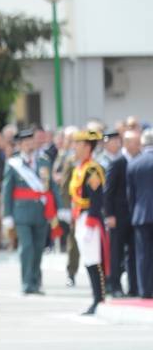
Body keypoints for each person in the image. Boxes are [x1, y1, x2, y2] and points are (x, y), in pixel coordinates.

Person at [1, 127, 57, 295]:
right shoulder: (13, 164)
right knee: (27, 247)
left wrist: (59, 209)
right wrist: (7, 215)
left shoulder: (44, 161)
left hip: (40, 212)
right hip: (22, 213)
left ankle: (35, 281)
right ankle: (27, 283)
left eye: (31, 142)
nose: (29, 145)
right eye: (26, 143)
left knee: (39, 248)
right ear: (20, 145)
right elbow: (7, 190)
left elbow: (51, 186)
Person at [68, 128, 108, 315]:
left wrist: (91, 223)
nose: (75, 147)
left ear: (87, 146)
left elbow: (97, 198)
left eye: (78, 144)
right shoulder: (80, 167)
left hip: (89, 218)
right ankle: (96, 298)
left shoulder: (92, 169)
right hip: (80, 217)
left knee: (94, 261)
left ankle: (99, 298)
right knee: (88, 260)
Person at [104, 129, 139, 297]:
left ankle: (134, 286)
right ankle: (115, 286)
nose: (138, 146)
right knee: (116, 252)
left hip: (134, 215)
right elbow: (108, 191)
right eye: (134, 143)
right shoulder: (118, 162)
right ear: (126, 144)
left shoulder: (137, 160)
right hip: (118, 216)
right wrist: (109, 215)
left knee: (133, 252)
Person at [130, 129, 153, 299]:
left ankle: (144, 290)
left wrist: (133, 212)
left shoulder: (134, 163)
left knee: (143, 254)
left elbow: (130, 194)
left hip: (140, 213)